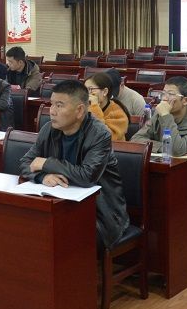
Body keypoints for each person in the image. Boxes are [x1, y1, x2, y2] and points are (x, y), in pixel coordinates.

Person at [19, 79, 128, 251]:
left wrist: (47, 163)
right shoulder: (49, 129)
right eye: (52, 104)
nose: (52, 111)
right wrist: (42, 176)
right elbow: (25, 163)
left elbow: (87, 177)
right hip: (62, 207)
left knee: (57, 237)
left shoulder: (100, 134)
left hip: (99, 214)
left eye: (59, 105)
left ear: (80, 110)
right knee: (25, 228)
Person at [132, 77, 187, 202]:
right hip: (165, 173)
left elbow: (176, 150)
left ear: (185, 100)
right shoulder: (159, 114)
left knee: (159, 198)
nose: (164, 98)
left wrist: (166, 115)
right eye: (163, 93)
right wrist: (163, 147)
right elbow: (136, 139)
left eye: (170, 94)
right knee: (136, 191)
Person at [85, 72, 129, 141]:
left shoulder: (118, 113)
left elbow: (106, 137)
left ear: (105, 92)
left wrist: (94, 107)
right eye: (85, 90)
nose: (87, 93)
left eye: (91, 89)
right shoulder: (84, 107)